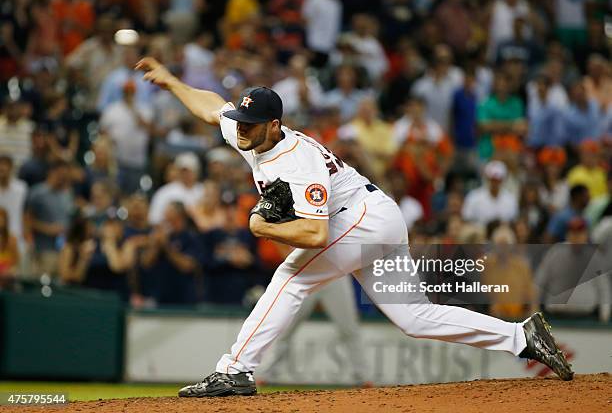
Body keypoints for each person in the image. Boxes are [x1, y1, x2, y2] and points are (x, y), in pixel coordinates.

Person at [136, 57, 574, 397]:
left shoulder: (296, 162)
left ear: (275, 124)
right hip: (374, 215)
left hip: (363, 219)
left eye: (251, 125)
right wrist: (172, 82)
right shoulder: (250, 131)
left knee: (290, 277)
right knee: (414, 317)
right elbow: (215, 109)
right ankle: (522, 335)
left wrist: (260, 227)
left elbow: (314, 236)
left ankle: (234, 371)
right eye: (242, 124)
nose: (241, 131)